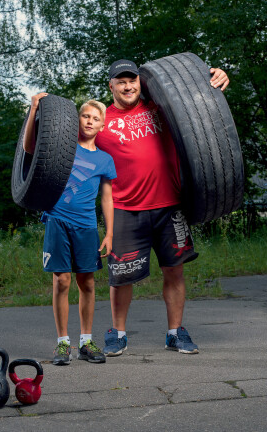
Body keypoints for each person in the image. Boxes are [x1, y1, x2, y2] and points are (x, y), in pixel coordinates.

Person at [95, 59, 230, 356]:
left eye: (132, 80)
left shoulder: (165, 109)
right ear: (111, 86)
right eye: (121, 81)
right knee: (121, 276)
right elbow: (64, 148)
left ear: (140, 82)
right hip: (124, 210)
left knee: (174, 271)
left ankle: (175, 332)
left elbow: (201, 104)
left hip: (170, 207)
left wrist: (216, 77)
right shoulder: (101, 121)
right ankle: (117, 334)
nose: (128, 86)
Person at [23, 94, 117, 365]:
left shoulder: (104, 160)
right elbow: (29, 148)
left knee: (87, 282)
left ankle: (85, 342)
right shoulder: (63, 148)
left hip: (87, 226)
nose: (90, 121)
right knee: (62, 281)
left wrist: (109, 233)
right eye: (86, 116)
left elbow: (107, 198)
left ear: (102, 126)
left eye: (96, 118)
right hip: (57, 221)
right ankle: (62, 344)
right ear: (78, 120)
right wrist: (34, 110)